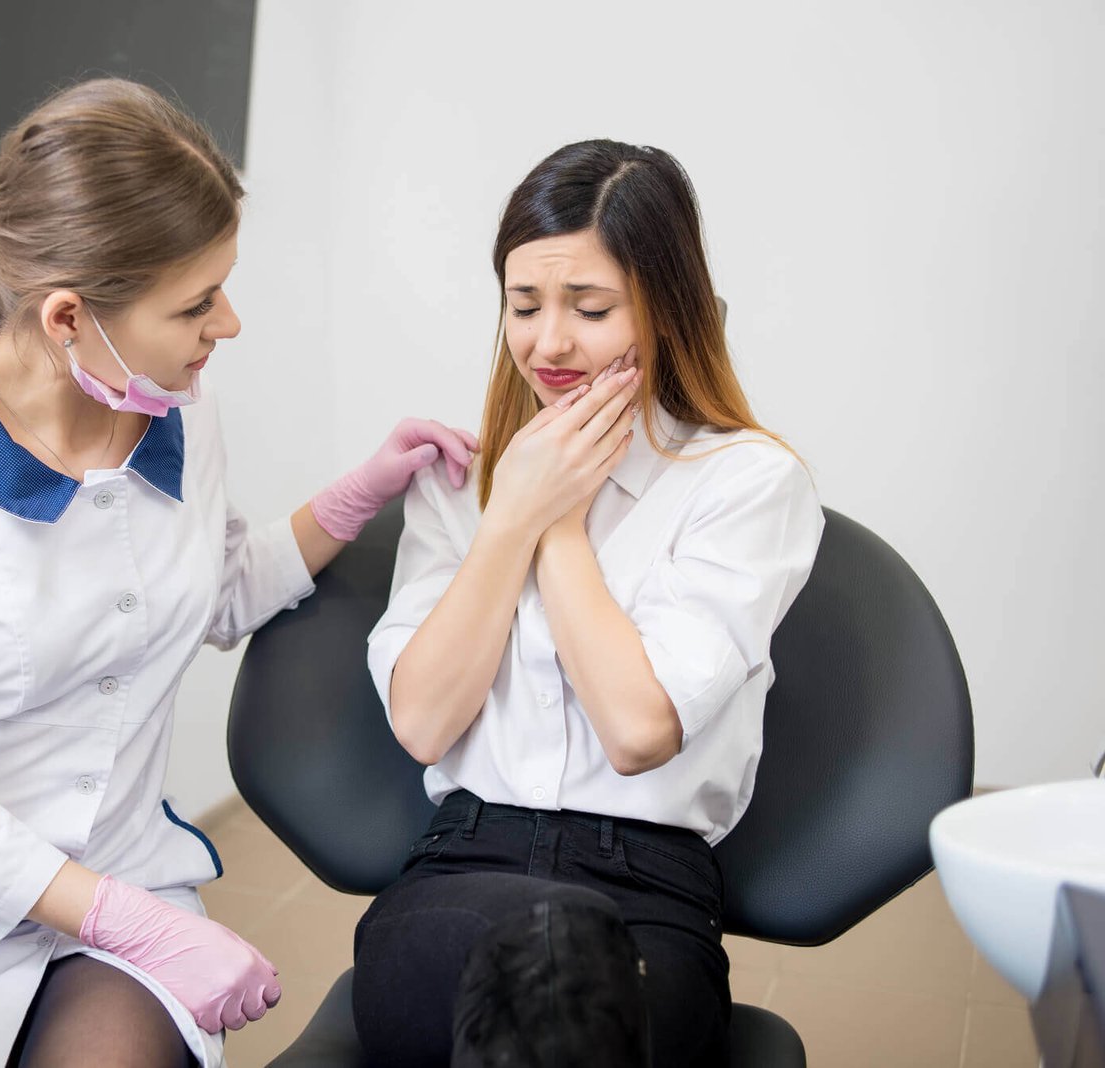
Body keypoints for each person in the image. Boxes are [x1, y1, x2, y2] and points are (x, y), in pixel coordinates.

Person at [0, 78, 475, 1068]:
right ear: (69, 318)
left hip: (120, 882)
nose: (227, 323)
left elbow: (218, 590)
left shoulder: (178, 411)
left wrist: (353, 498)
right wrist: (135, 925)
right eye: (196, 302)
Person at [351, 139, 825, 1066]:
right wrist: (506, 518)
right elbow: (422, 720)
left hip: (646, 890)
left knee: (576, 997)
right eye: (524, 307)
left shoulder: (747, 483)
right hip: (460, 869)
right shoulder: (462, 485)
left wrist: (555, 522)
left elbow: (638, 728)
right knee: (536, 989)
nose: (550, 343)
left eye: (591, 308)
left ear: (669, 308)